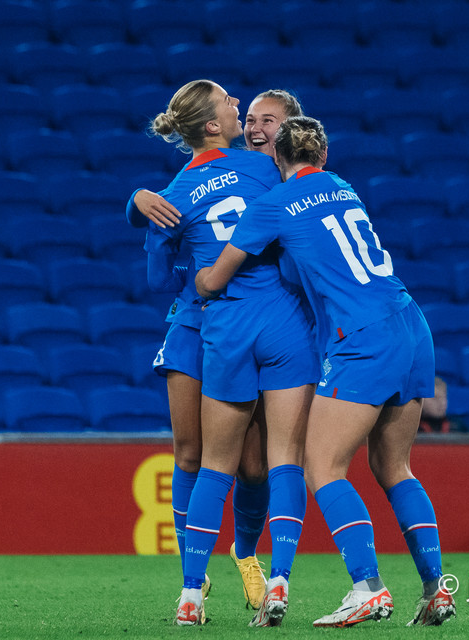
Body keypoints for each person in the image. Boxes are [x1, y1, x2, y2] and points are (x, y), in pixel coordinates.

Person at [196, 116, 457, 628]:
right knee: (395, 468)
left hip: (362, 336)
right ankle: (435, 590)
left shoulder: (273, 204)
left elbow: (216, 278)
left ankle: (368, 588)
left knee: (322, 466)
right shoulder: (342, 186)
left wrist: (200, 278)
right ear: (323, 156)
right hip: (410, 324)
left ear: (278, 157)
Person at [143, 80, 319, 628]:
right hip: (222, 324)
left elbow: (158, 278)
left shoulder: (175, 191)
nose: (240, 106)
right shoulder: (264, 170)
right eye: (231, 103)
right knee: (195, 454)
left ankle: (235, 563)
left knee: (243, 464)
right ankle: (203, 576)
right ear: (214, 124)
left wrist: (139, 206)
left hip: (220, 318)